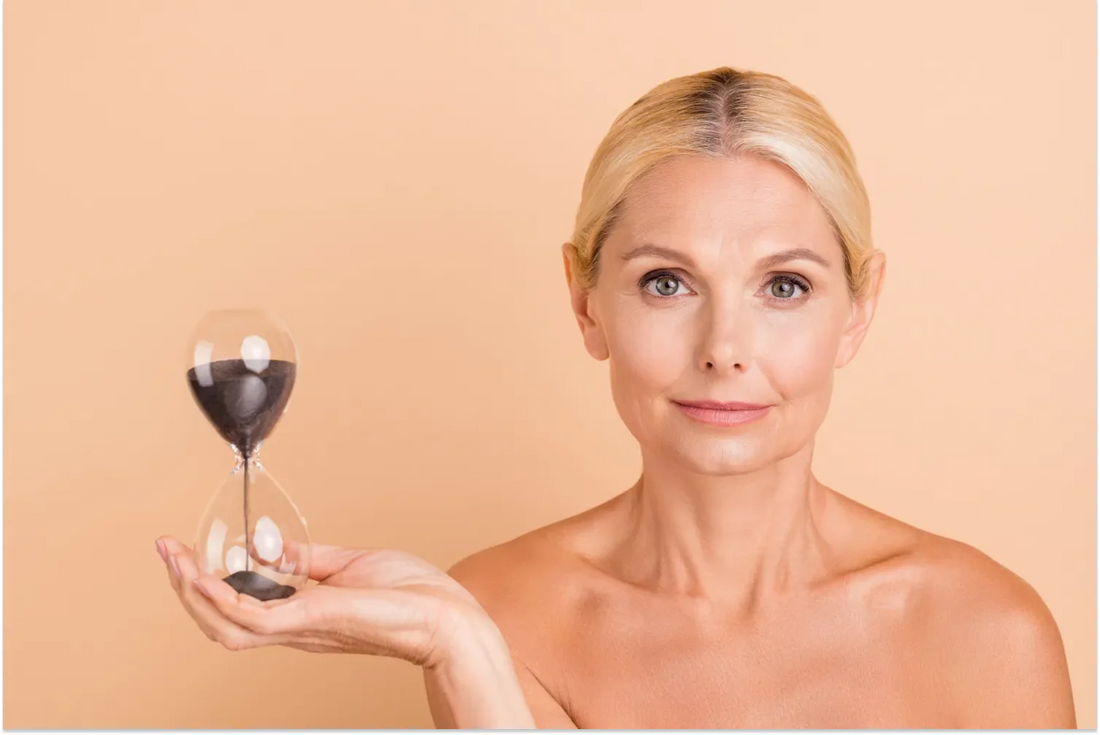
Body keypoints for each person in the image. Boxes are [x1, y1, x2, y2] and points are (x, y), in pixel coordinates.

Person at [156, 66, 1077, 729]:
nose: (724, 349)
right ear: (585, 301)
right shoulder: (501, 613)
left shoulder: (987, 632)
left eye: (785, 286)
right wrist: (458, 646)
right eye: (667, 282)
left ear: (858, 311)